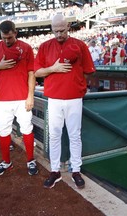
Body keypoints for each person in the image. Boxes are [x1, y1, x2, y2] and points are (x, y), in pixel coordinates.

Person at [34, 14, 95, 189]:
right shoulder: (45, 46)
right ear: (51, 29)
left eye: (62, 30)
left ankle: (76, 170)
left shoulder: (80, 45)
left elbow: (88, 70)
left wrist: (79, 86)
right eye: (55, 31)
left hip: (74, 97)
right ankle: (55, 171)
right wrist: (53, 68)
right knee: (54, 135)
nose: (59, 34)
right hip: (53, 97)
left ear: (68, 26)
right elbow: (37, 72)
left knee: (74, 135)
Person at [0, 20, 37, 176]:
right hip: (2, 99)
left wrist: (30, 96)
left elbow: (31, 73)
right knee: (4, 131)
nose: (6, 41)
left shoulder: (26, 48)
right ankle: (7, 162)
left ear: (15, 33)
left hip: (22, 98)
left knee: (27, 129)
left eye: (9, 37)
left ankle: (31, 160)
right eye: (4, 37)